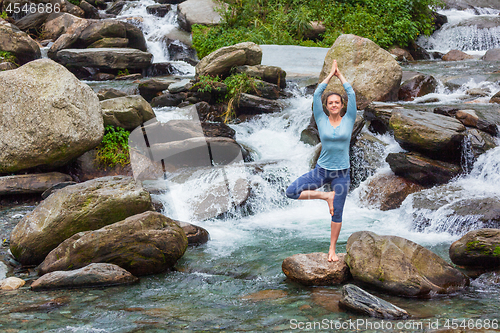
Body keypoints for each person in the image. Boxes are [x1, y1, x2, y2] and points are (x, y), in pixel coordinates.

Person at [285, 59, 356, 262]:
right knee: (291, 192)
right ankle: (326, 197)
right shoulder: (321, 119)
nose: (334, 105)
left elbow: (351, 94)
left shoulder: (349, 119)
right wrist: (328, 76)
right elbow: (316, 94)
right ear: (326, 106)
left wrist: (340, 75)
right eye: (330, 102)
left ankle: (332, 249)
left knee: (338, 214)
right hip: (321, 171)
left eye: (337, 102)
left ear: (342, 106)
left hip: (342, 174)